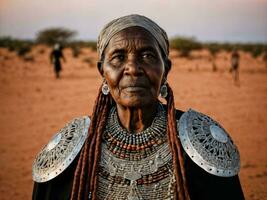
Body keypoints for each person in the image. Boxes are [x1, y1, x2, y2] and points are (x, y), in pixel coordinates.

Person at [32, 14, 244, 200]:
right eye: (118, 57)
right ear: (102, 71)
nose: (133, 68)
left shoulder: (203, 143)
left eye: (148, 56)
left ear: (166, 69)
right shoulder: (70, 152)